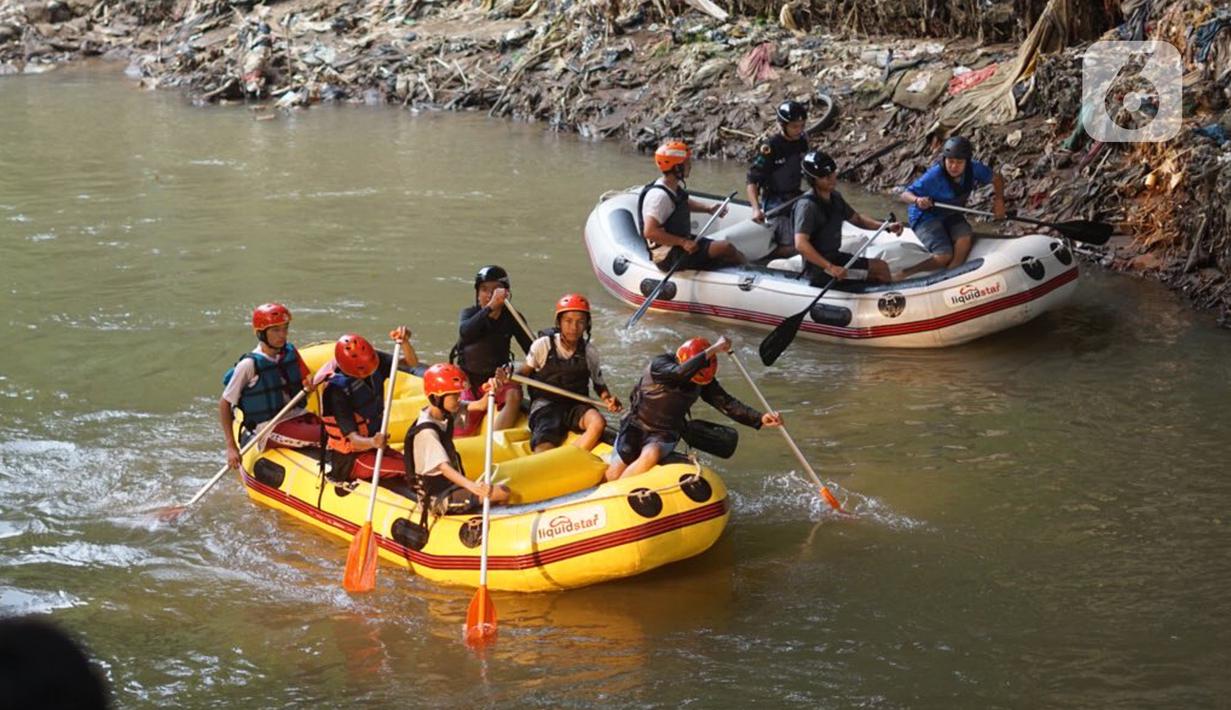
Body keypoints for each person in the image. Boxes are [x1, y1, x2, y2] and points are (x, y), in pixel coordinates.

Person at [604, 336, 782, 481]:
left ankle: (616, 495)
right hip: (636, 424)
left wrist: (759, 418)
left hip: (664, 434)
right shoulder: (661, 364)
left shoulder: (702, 379)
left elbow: (726, 403)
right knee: (615, 470)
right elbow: (679, 373)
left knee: (650, 454)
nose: (694, 381)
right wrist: (714, 348)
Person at [514, 293, 622, 453]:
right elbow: (524, 371)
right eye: (568, 321)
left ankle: (571, 456)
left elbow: (599, 384)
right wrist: (508, 377)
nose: (574, 327)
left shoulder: (590, 351)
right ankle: (546, 458)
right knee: (543, 445)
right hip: (546, 404)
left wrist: (608, 399)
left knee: (598, 422)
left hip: (576, 405)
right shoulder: (542, 345)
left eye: (580, 322)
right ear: (559, 322)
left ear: (587, 324)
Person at [219, 303, 320, 469]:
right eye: (276, 330)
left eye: (285, 328)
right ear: (261, 334)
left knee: (336, 431)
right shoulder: (248, 365)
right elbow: (224, 404)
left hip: (298, 415)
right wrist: (231, 447)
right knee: (327, 437)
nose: (283, 335)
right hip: (269, 427)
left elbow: (305, 386)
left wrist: (310, 387)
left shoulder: (290, 352)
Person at [404, 363, 510, 510]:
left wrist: (493, 389)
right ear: (437, 397)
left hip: (449, 486)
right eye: (454, 395)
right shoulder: (426, 431)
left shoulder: (445, 411)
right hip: (436, 498)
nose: (459, 398)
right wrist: (472, 487)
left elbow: (481, 405)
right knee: (502, 492)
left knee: (499, 488)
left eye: (458, 394)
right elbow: (444, 468)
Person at [320, 329, 420, 483]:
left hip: (376, 448)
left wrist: (405, 342)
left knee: (419, 464)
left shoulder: (373, 362)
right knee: (412, 470)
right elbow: (353, 439)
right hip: (352, 459)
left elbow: (411, 363)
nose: (369, 371)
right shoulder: (336, 391)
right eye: (363, 368)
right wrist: (374, 441)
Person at [898, 135, 1007, 276]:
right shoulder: (934, 175)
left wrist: (999, 201)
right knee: (944, 255)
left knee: (965, 238)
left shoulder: (975, 168)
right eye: (950, 161)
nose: (954, 166)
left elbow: (997, 179)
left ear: (967, 161)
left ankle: (951, 274)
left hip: (951, 213)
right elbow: (905, 194)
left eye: (959, 162)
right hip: (925, 216)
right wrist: (917, 200)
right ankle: (906, 273)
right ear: (944, 159)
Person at [792, 151, 900, 287]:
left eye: (832, 173)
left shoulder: (835, 197)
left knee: (881, 266)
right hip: (818, 268)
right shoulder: (807, 206)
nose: (832, 179)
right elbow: (800, 244)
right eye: (825, 176)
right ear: (813, 180)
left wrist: (885, 227)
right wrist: (830, 267)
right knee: (880, 271)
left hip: (835, 256)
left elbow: (858, 219)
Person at [638, 139, 744, 272]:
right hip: (668, 256)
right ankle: (750, 271)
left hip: (677, 244)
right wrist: (683, 242)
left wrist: (708, 209)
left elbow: (681, 203)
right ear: (677, 168)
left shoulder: (670, 187)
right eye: (687, 162)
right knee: (726, 247)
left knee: (720, 250)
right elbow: (650, 232)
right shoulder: (659, 198)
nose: (690, 166)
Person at [453, 265, 534, 435]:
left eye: (496, 289)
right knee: (460, 428)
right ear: (477, 293)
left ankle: (493, 439)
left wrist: (518, 373)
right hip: (468, 380)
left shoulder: (513, 317)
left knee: (514, 395)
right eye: (484, 289)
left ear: (506, 293)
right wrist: (490, 307)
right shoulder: (469, 314)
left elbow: (533, 352)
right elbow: (465, 333)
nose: (490, 294)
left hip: (498, 380)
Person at [747, 100, 809, 258]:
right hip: (775, 202)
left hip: (796, 196)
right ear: (783, 125)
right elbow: (752, 180)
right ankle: (765, 256)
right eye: (794, 127)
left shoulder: (802, 141)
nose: (799, 130)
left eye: (802, 126)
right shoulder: (770, 147)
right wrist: (756, 209)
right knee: (793, 246)